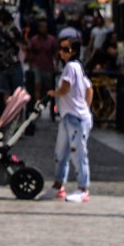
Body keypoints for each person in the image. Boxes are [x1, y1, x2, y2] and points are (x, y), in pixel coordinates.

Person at [50, 36, 93, 203]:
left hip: (75, 117)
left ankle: (83, 188)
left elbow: (65, 88)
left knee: (77, 153)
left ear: (73, 51)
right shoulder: (77, 68)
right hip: (70, 116)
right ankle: (58, 184)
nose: (62, 52)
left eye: (66, 49)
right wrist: (85, 107)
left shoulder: (71, 66)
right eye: (61, 48)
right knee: (61, 152)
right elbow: (89, 88)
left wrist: (54, 93)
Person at [25, 19, 58, 106]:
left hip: (48, 66)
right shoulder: (34, 40)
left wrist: (56, 65)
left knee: (48, 87)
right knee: (37, 86)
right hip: (37, 66)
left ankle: (47, 103)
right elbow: (30, 53)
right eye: (41, 27)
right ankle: (37, 105)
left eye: (44, 27)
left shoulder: (51, 40)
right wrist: (30, 65)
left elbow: (55, 53)